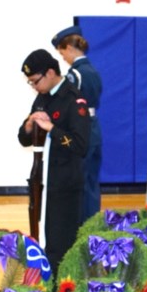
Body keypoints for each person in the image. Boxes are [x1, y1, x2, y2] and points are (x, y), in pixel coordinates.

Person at [18, 49, 91, 279]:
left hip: (65, 185)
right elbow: (24, 139)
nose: (34, 87)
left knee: (61, 245)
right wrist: (29, 126)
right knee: (43, 240)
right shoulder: (43, 97)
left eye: (35, 81)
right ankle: (46, 287)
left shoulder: (73, 100)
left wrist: (53, 129)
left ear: (50, 73)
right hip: (43, 182)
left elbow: (80, 145)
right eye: (30, 83)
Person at [52, 25, 103, 223]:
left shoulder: (76, 75)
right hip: (94, 128)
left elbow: (68, 105)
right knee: (91, 181)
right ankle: (93, 224)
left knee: (80, 181)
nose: (63, 57)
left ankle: (82, 225)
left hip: (81, 129)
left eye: (62, 52)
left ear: (70, 49)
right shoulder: (93, 71)